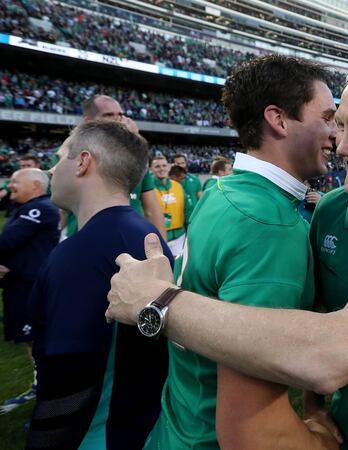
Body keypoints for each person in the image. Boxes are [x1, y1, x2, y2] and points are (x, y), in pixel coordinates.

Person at [105, 52, 348, 450]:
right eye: (340, 124)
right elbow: (313, 316)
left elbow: (334, 351)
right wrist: (313, 405)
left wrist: (157, 303)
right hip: (347, 433)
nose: (343, 146)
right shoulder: (330, 210)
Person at [138, 55, 341, 450]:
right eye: (328, 117)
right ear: (278, 120)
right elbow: (252, 429)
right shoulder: (267, 223)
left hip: (178, 426)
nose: (337, 133)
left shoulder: (223, 191)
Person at [26, 121, 172, 449]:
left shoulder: (78, 255)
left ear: (83, 162)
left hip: (96, 437)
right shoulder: (146, 238)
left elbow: (67, 383)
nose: (51, 169)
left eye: (61, 157)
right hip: (143, 428)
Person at [61, 95, 166, 240]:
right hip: (86, 242)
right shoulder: (72, 155)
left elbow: (153, 211)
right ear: (88, 122)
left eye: (121, 114)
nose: (118, 120)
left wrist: (163, 252)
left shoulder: (136, 158)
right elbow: (60, 208)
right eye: (109, 115)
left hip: (130, 243)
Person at [0, 168, 59, 414]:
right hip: (19, 285)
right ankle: (41, 386)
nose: (10, 185)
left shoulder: (40, 208)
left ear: (35, 186)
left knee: (38, 341)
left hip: (30, 288)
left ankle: (49, 393)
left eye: (16, 181)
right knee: (31, 341)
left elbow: (7, 242)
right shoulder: (24, 208)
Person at [150, 155, 189, 257]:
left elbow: (186, 211)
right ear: (151, 169)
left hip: (179, 236)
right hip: (157, 237)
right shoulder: (147, 188)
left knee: (177, 269)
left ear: (168, 167)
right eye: (157, 166)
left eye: (164, 165)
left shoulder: (177, 186)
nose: (161, 169)